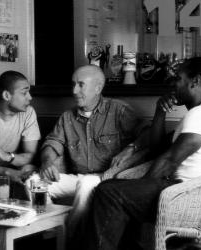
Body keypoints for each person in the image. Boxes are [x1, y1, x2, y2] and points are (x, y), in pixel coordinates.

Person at [79, 57, 201, 250]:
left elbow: (169, 161)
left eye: (178, 79)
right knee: (114, 188)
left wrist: (139, 188)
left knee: (108, 192)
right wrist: (160, 112)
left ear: (194, 82)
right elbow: (157, 149)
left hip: (187, 200)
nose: (173, 85)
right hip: (195, 199)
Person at [38, 65, 148, 232]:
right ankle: (55, 231)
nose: (74, 90)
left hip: (108, 179)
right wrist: (46, 162)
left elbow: (148, 133)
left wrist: (131, 148)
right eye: (73, 84)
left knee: (87, 183)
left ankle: (72, 239)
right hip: (78, 177)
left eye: (81, 84)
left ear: (98, 88)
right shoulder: (67, 117)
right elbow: (52, 143)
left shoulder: (119, 110)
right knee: (33, 182)